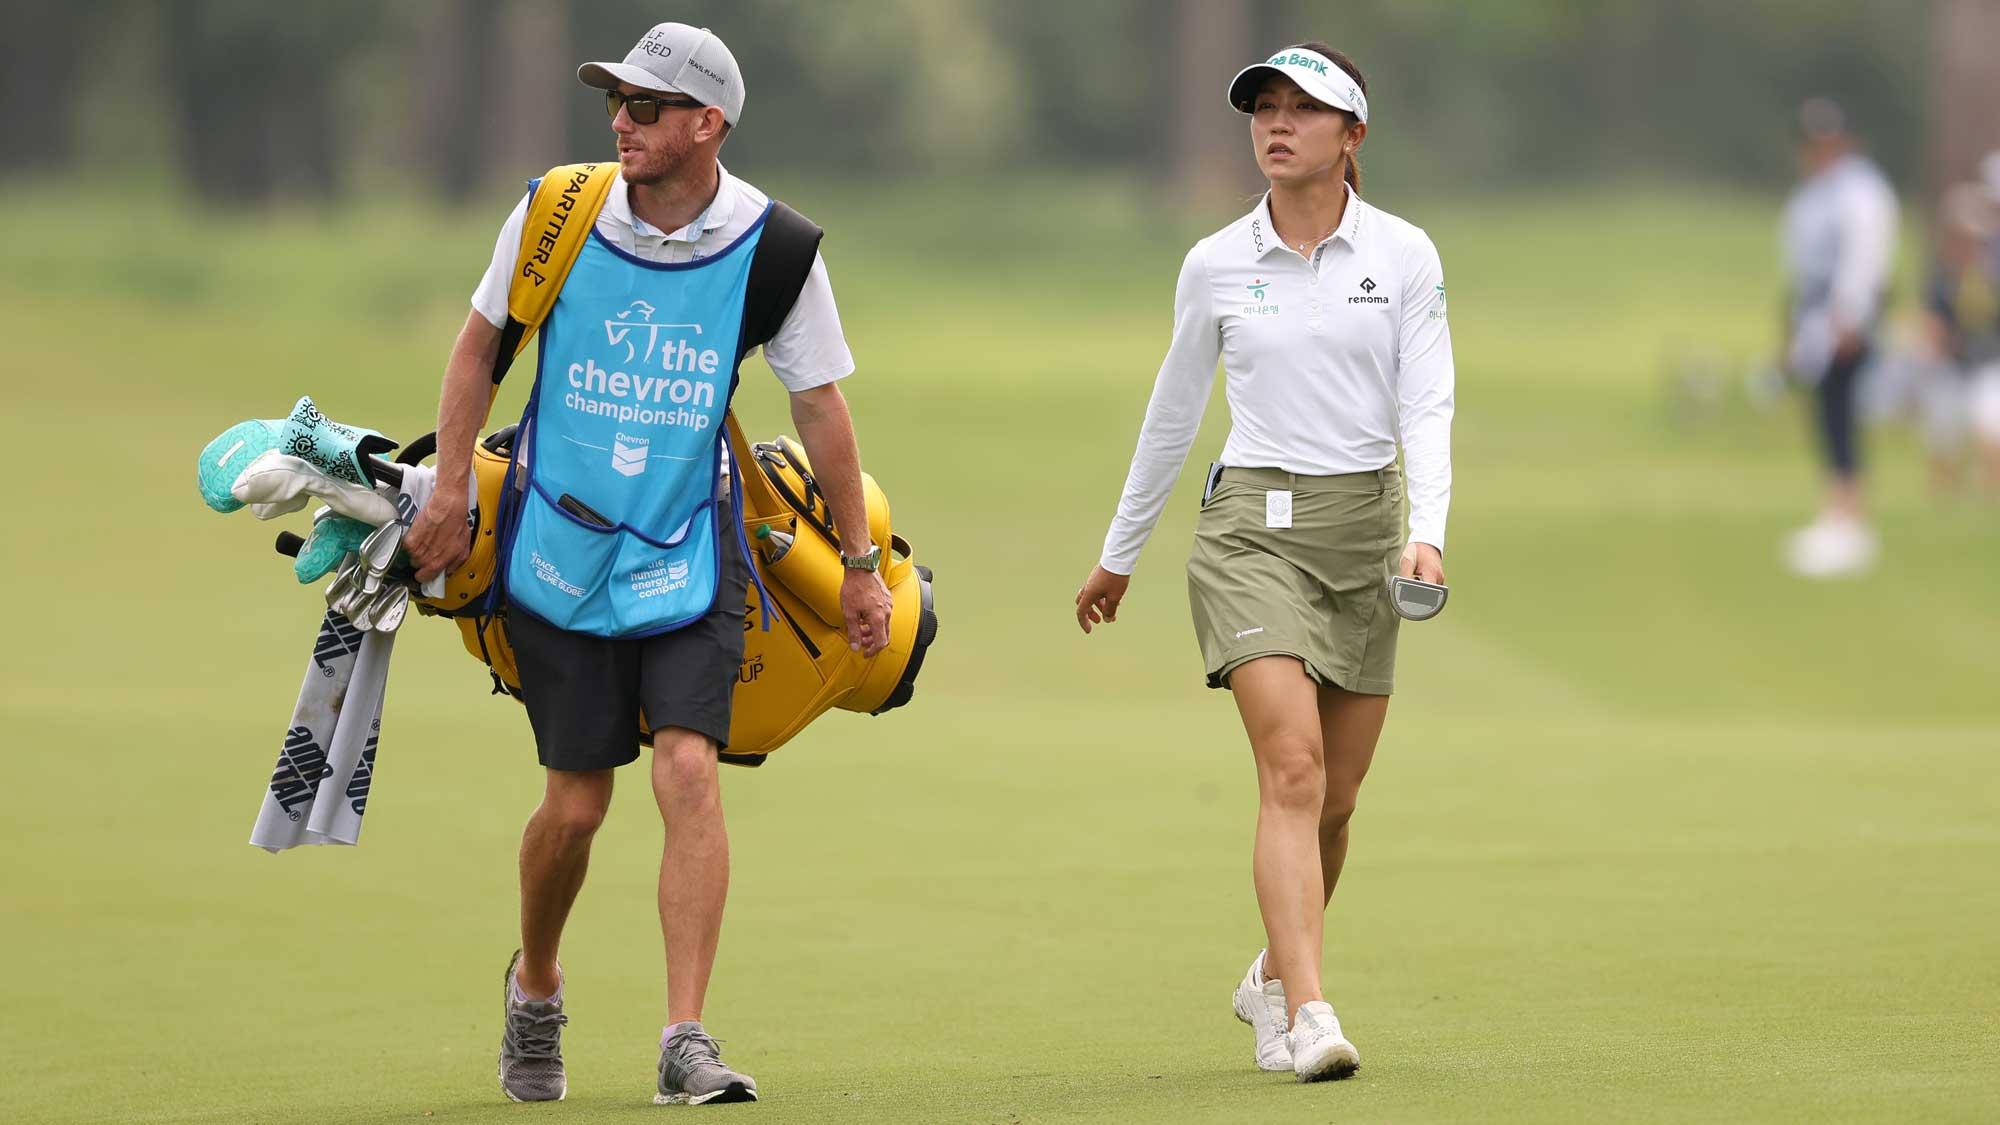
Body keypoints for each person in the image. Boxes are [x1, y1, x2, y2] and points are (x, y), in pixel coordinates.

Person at [401, 22, 892, 1107]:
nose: (621, 120)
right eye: (615, 100)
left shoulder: (775, 248)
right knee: (575, 809)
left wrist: (860, 564)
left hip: (690, 548)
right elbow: (480, 345)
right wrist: (445, 490)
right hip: (557, 546)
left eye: (647, 105)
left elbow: (819, 407)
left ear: (707, 123)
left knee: (685, 768)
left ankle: (684, 1037)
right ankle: (535, 985)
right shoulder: (556, 212)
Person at [1073, 42, 1453, 1083]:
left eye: (1301, 109)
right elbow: (1170, 415)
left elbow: (1425, 401)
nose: (1275, 126)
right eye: (1262, 109)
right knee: (1289, 769)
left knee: (1334, 799)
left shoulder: (1404, 256)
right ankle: (1312, 1012)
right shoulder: (1215, 262)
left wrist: (1428, 527)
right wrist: (1119, 556)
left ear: (1352, 134)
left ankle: (1270, 980)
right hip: (1249, 532)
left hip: (1366, 534)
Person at [1778, 97, 1899, 577]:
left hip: (1844, 318)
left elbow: (1866, 257)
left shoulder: (1861, 191)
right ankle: (1835, 513)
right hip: (1814, 315)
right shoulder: (1814, 192)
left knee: (1841, 413)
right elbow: (1801, 264)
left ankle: (1851, 520)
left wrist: (1849, 316)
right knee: (1826, 415)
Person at [1920, 182, 2000, 494]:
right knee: (1944, 440)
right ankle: (1946, 496)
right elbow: (1934, 320)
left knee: (1990, 431)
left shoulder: (1991, 275)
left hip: (1988, 362)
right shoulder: (1941, 277)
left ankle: (1991, 492)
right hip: (1951, 366)